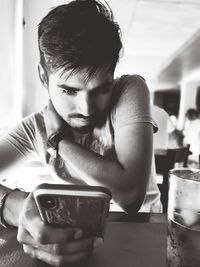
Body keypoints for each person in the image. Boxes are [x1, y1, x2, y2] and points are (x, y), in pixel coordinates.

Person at [0, 1, 161, 266]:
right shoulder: (35, 127)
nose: (86, 109)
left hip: (143, 230)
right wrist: (13, 206)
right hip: (72, 235)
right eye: (69, 90)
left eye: (100, 89)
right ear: (43, 77)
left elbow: (131, 196)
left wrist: (59, 142)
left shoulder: (129, 89)